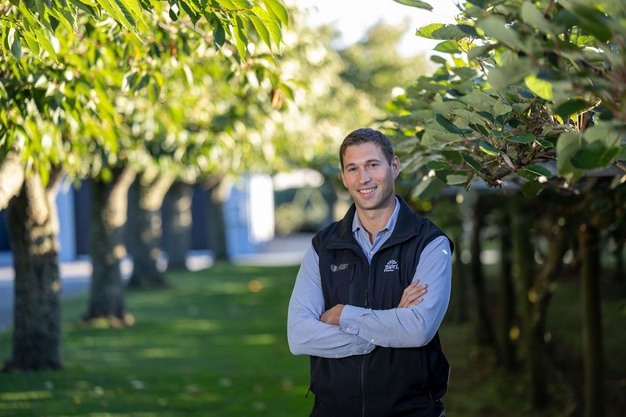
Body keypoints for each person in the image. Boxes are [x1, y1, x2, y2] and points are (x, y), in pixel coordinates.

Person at [287, 128, 453, 417]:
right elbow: (299, 336)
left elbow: (418, 330)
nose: (363, 178)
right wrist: (389, 327)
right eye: (353, 168)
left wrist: (343, 316)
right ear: (344, 177)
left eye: (372, 165)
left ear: (394, 166)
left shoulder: (429, 243)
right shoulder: (323, 247)